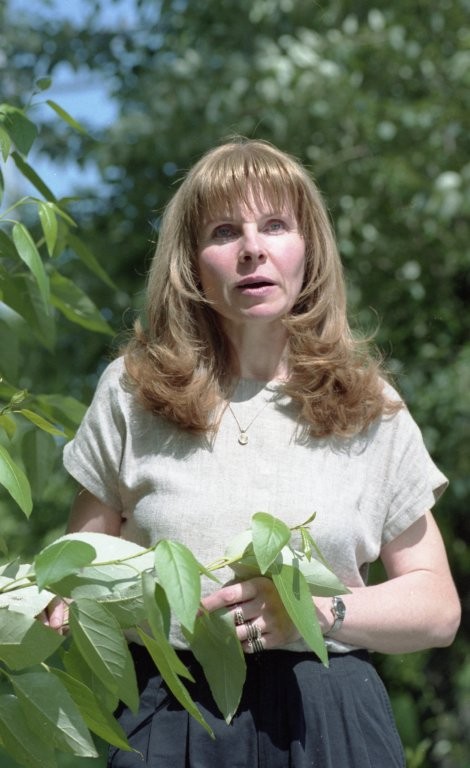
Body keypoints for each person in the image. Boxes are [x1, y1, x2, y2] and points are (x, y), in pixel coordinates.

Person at [54, 139, 460, 767]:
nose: (252, 248)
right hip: (170, 717)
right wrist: (51, 600)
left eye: (275, 225)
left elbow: (437, 608)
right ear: (191, 263)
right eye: (224, 231)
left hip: (330, 722)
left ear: (308, 250)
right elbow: (77, 571)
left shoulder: (367, 403)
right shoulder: (133, 393)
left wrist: (313, 613)